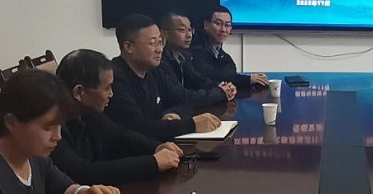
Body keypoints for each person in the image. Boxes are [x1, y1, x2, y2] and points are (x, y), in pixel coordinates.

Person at [50, 49, 186, 184]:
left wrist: (157, 147)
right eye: (107, 88)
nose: (111, 94)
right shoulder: (52, 126)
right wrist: (153, 162)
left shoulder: (88, 113)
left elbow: (120, 135)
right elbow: (83, 173)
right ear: (79, 92)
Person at [104, 14, 222, 142]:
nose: (159, 49)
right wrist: (192, 125)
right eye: (152, 43)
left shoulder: (155, 71)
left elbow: (183, 100)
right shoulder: (114, 78)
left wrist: (174, 113)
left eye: (160, 42)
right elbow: (137, 127)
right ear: (129, 47)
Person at [158, 12, 236, 102]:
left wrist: (223, 87)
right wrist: (220, 92)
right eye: (182, 30)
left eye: (190, 30)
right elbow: (180, 95)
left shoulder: (184, 57)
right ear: (164, 33)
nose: (189, 35)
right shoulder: (160, 60)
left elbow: (199, 80)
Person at [188, 4, 269, 91]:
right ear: (206, 25)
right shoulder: (194, 50)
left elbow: (229, 76)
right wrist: (248, 79)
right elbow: (210, 76)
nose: (223, 29)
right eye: (218, 23)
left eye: (227, 25)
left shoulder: (224, 56)